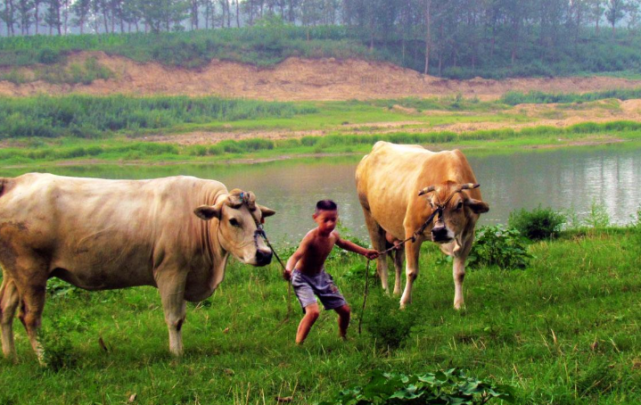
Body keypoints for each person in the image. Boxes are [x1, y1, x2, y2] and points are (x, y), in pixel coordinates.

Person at [283, 199, 379, 345]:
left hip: (321, 277)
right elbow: (296, 255)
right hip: (302, 278)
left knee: (345, 311)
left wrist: (364, 252)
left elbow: (344, 244)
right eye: (325, 220)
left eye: (333, 219)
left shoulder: (333, 235)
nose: (330, 224)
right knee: (313, 312)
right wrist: (288, 269)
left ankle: (343, 337)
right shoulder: (311, 237)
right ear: (315, 218)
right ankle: (298, 345)